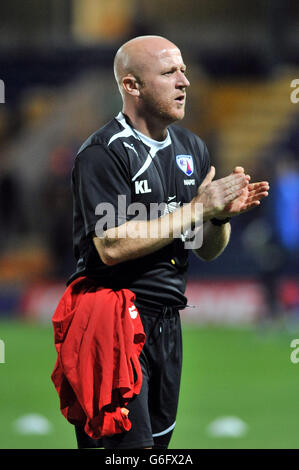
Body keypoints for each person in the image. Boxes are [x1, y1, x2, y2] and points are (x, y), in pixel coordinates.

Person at [62, 35, 269, 449]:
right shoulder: (104, 153)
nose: (184, 82)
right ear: (131, 85)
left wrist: (218, 218)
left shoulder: (191, 148)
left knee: (156, 449)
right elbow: (111, 245)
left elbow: (207, 249)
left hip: (166, 324)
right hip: (112, 321)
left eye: (184, 71)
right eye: (169, 72)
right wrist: (197, 208)